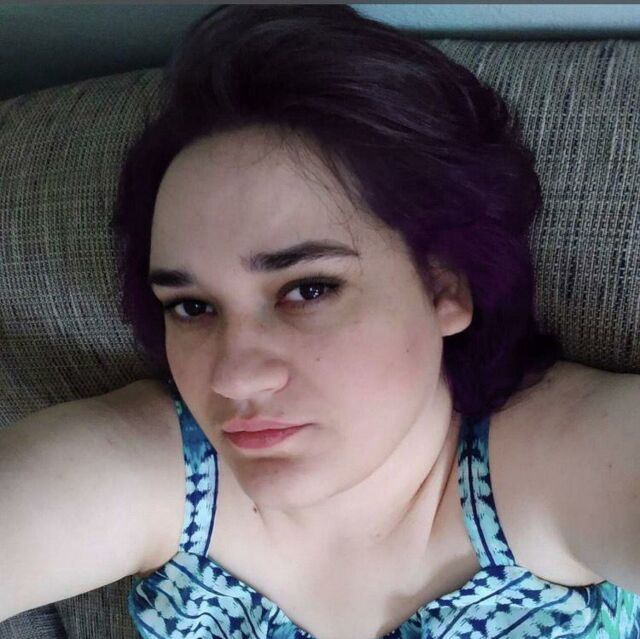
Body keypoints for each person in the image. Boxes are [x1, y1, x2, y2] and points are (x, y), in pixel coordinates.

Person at [1, 5, 638, 639]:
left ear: (444, 285)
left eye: (308, 290)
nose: (233, 377)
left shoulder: (565, 461)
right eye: (192, 307)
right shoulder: (154, 473)